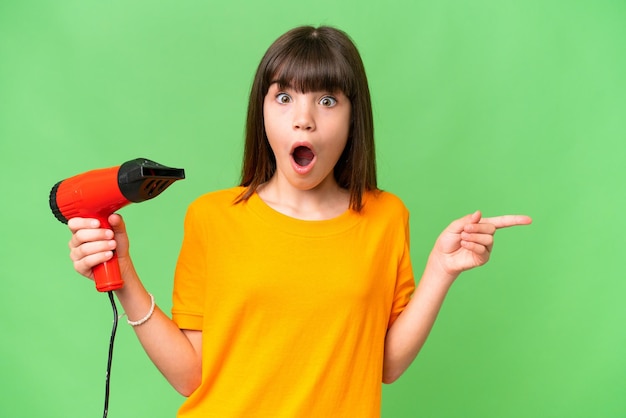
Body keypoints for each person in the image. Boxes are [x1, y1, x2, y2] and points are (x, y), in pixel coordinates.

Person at [67, 25, 532, 417]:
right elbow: (191, 376)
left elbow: (382, 365)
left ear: (354, 118)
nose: (303, 120)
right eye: (284, 97)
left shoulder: (387, 217)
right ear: (262, 110)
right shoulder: (211, 217)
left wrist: (440, 271)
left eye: (327, 101)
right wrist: (123, 272)